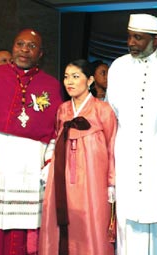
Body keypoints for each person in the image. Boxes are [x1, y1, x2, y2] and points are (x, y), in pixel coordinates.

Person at [0, 29, 64, 254]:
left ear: (41, 53)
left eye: (31, 46)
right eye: (20, 44)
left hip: (30, 174)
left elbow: (56, 132)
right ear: (13, 47)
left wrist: (49, 164)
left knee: (26, 240)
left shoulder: (51, 85)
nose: (25, 49)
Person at [106, 13, 157, 255]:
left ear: (155, 40)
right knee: (127, 221)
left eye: (138, 38)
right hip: (125, 154)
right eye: (129, 37)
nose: (131, 43)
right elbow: (109, 114)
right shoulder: (118, 66)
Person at [38, 59, 117, 255]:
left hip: (93, 181)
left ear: (89, 80)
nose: (69, 82)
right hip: (62, 178)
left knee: (92, 224)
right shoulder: (63, 109)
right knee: (62, 222)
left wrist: (111, 183)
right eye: (66, 77)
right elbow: (56, 140)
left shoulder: (103, 110)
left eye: (75, 77)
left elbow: (112, 147)